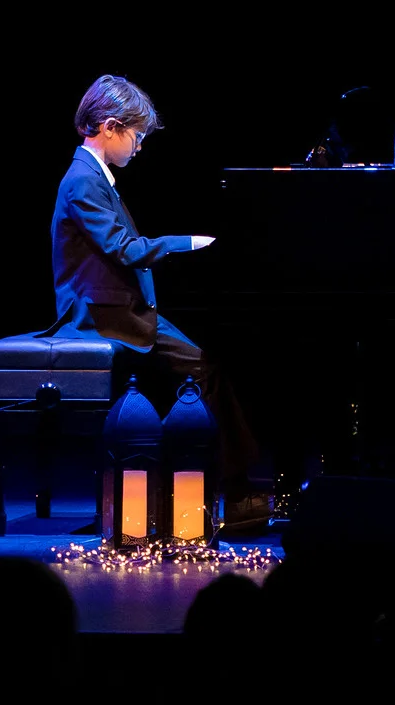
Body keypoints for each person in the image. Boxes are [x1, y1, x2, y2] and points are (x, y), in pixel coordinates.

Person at [38, 73, 271, 527]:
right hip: (98, 316)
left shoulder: (92, 176)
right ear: (109, 126)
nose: (139, 147)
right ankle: (224, 489)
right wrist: (186, 242)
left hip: (116, 307)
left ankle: (201, 486)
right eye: (136, 136)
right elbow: (125, 248)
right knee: (202, 367)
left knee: (201, 366)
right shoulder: (83, 181)